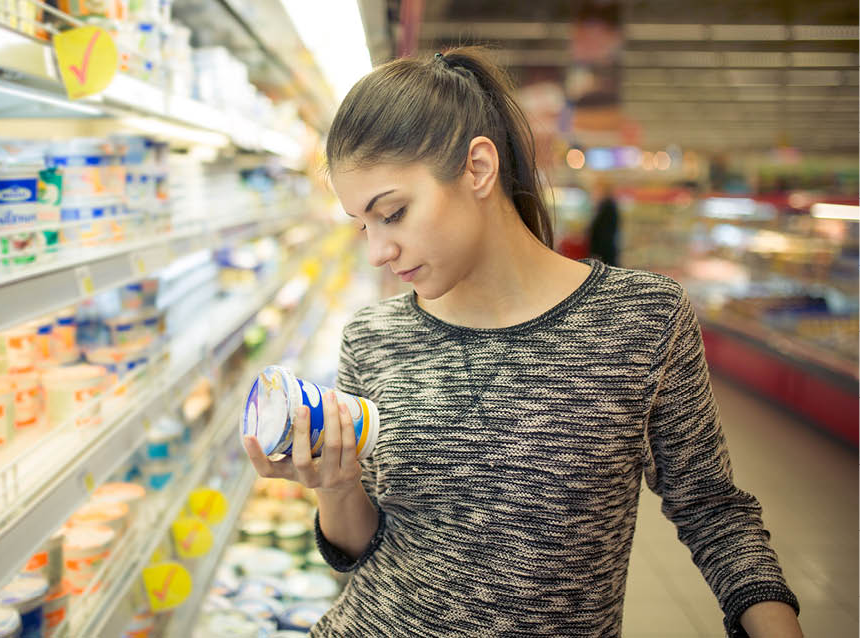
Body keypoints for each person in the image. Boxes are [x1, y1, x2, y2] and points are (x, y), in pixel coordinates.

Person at [243, 46, 802, 638]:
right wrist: (336, 484)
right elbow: (359, 550)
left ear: (478, 169)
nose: (378, 250)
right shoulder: (374, 337)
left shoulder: (642, 320)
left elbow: (713, 511)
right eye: (363, 225)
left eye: (394, 213)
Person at [588, 181, 620, 266]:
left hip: (604, 252)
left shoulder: (607, 207)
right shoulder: (604, 206)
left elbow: (604, 232)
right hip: (605, 250)